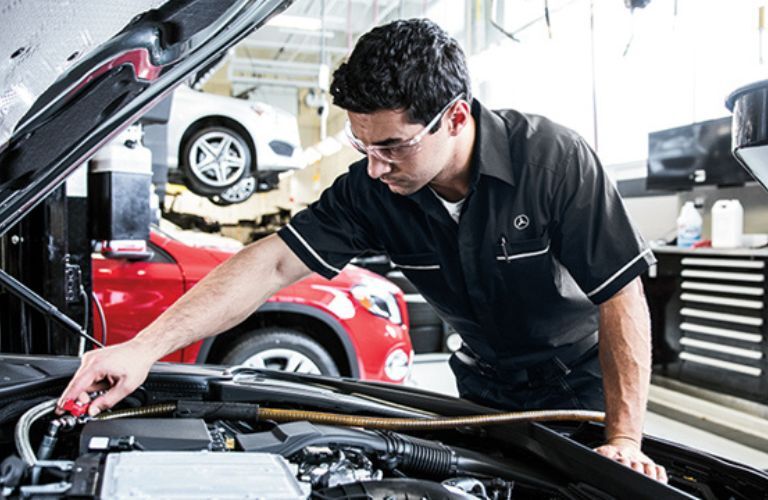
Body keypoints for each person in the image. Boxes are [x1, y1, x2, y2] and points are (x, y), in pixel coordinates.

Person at [59, 18, 665, 482]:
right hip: (484, 391)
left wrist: (626, 438)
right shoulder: (372, 190)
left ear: (454, 118)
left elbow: (622, 295)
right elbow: (271, 262)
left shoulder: (553, 161)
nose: (374, 168)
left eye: (393, 147)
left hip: (582, 389)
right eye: (361, 145)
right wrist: (144, 349)